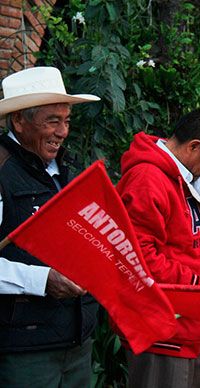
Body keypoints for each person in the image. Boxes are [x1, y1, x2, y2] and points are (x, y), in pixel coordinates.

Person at [117, 107, 200, 388]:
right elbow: (139, 258)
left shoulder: (184, 179)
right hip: (162, 331)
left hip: (186, 327)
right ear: (194, 146)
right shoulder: (148, 178)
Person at [0, 66, 100, 386]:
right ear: (19, 121)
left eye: (67, 120)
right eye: (52, 121)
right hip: (25, 350)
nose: (63, 131)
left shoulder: (69, 167)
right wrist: (40, 280)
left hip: (78, 342)